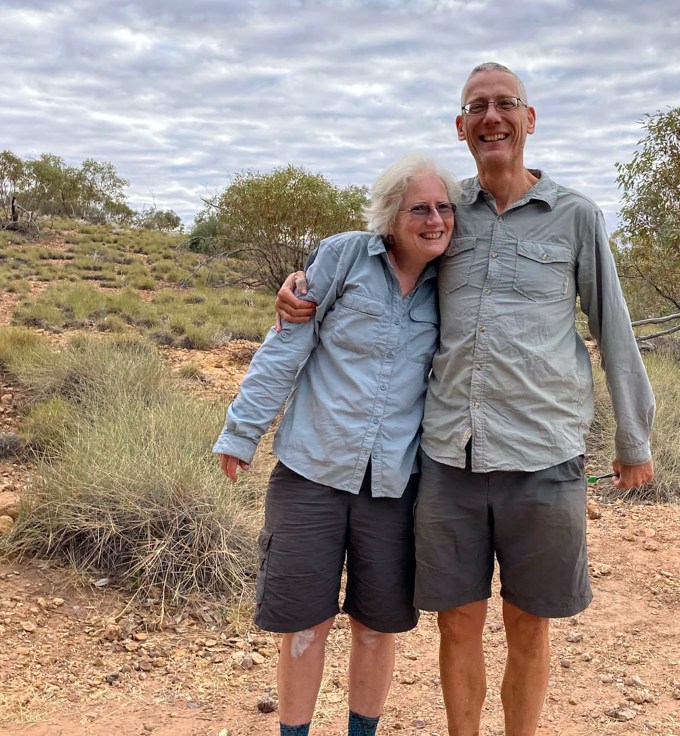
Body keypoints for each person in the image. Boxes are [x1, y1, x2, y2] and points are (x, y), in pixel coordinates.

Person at [277, 63, 656, 736]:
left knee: (529, 627)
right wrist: (300, 283)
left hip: (543, 458)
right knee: (457, 624)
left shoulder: (575, 217)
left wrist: (635, 440)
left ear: (529, 120)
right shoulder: (446, 214)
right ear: (461, 127)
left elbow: (613, 329)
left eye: (506, 103)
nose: (492, 117)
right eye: (477, 106)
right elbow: (377, 254)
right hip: (451, 460)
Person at [215, 152, 460, 736]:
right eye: (419, 208)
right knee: (305, 625)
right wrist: (243, 430)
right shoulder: (344, 254)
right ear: (390, 216)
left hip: (394, 482)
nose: (434, 220)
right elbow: (287, 347)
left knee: (377, 627)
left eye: (444, 208)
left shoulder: (453, 281)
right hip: (312, 472)